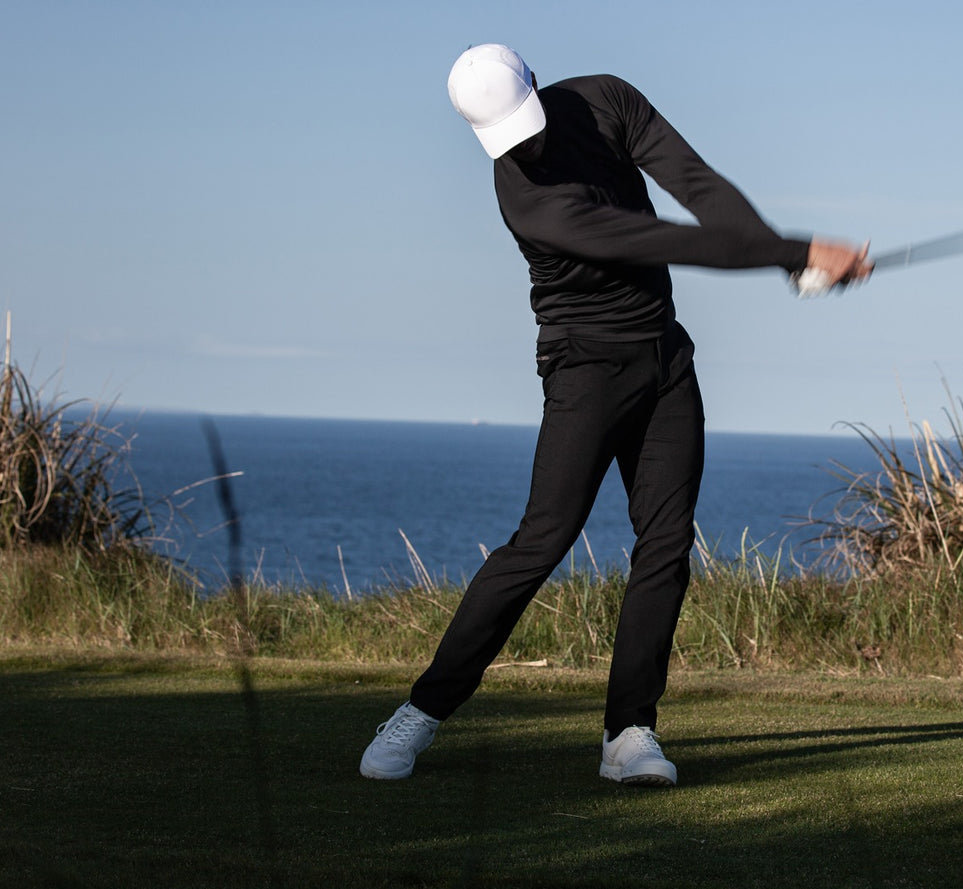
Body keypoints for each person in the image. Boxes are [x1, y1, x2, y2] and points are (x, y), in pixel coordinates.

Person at [359, 43, 871, 786]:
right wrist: (795, 250)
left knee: (666, 541)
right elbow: (662, 240)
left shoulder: (606, 99)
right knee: (542, 539)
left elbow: (696, 184)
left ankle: (629, 733)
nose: (526, 145)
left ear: (537, 86)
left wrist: (789, 258)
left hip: (664, 356)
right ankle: (422, 710)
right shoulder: (529, 198)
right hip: (585, 368)